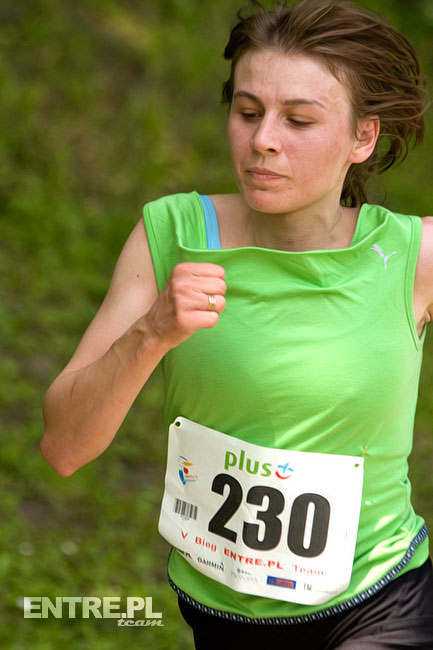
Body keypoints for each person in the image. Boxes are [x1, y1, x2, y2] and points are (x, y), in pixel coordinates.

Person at [41, 0, 433, 647]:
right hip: (218, 606)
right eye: (248, 112)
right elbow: (64, 448)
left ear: (362, 138)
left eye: (298, 120)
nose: (262, 140)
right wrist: (151, 333)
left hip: (378, 597)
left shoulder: (413, 257)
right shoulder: (170, 234)